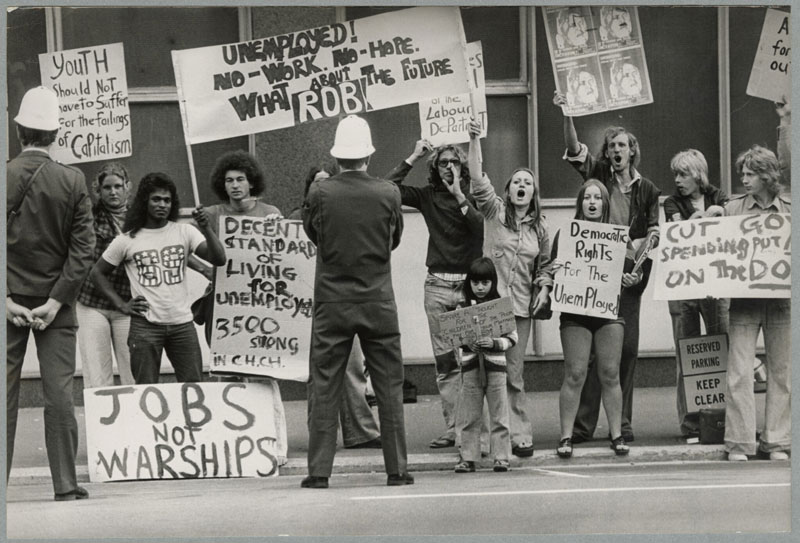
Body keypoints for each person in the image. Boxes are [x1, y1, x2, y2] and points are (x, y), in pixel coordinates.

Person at [301, 115, 412, 488]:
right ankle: (397, 469)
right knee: (389, 386)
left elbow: (312, 232)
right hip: (378, 299)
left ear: (337, 157)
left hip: (332, 300)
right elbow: (393, 238)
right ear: (368, 154)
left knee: (324, 384)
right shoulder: (388, 192)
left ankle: (319, 472)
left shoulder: (319, 193)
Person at [553, 90, 661, 443]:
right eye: (611, 145)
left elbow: (653, 234)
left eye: (622, 145)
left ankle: (621, 424)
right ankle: (583, 426)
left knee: (624, 352)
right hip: (592, 278)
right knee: (587, 357)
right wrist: (568, 111)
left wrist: (638, 260)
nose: (616, 151)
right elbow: (573, 147)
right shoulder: (597, 174)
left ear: (633, 150)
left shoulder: (648, 190)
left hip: (628, 280)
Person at [7, 86, 95, 501]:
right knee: (59, 392)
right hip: (55, 303)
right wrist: (58, 299)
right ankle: (64, 483)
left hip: (7, 299)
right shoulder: (72, 180)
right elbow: (83, 250)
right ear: (56, 132)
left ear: (19, 128)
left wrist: (5, 299)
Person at [188, 149, 289, 464]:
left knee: (263, 378)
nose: (234, 186)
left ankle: (276, 445)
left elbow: (287, 259)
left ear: (251, 182)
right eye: (229, 180)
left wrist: (280, 231)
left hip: (260, 310)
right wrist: (205, 266)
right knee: (227, 378)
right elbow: (192, 250)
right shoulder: (214, 215)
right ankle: (235, 445)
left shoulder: (270, 212)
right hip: (224, 309)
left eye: (240, 179)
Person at [386, 138, 484, 449]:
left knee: (473, 361)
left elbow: (480, 229)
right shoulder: (428, 196)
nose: (449, 168)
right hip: (439, 288)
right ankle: (453, 429)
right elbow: (388, 188)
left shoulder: (472, 196)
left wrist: (458, 195)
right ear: (435, 169)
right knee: (446, 364)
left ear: (463, 167)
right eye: (443, 163)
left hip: (469, 288)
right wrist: (414, 155)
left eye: (454, 162)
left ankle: (473, 431)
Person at [89, 172, 226, 384]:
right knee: (146, 391)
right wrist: (121, 305)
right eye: (156, 199)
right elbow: (97, 273)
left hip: (182, 324)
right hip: (145, 327)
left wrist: (206, 228)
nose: (162, 204)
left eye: (167, 200)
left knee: (194, 387)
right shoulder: (127, 239)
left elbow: (218, 258)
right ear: (145, 201)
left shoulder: (185, 231)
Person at [467, 121, 551, 458]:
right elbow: (476, 175)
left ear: (533, 193)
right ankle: (483, 439)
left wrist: (543, 289)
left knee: (512, 375)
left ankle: (519, 434)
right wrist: (474, 139)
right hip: (488, 306)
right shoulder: (493, 212)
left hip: (520, 310)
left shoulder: (540, 228)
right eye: (517, 181)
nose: (522, 186)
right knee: (480, 375)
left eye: (527, 183)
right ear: (508, 188)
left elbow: (545, 265)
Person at [290, 165, 381, 451]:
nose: (322, 190)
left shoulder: (347, 219)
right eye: (317, 184)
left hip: (341, 300)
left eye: (328, 184)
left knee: (353, 366)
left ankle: (361, 433)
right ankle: (321, 435)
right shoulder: (294, 221)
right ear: (308, 190)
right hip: (306, 307)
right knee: (319, 374)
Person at [551, 180, 631, 458]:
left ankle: (617, 434)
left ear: (606, 203)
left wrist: (633, 277)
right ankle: (565, 436)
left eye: (598, 197)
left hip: (608, 312)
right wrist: (554, 268)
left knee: (610, 373)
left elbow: (634, 269)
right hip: (575, 313)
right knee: (575, 374)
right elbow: (550, 270)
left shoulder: (618, 236)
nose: (593, 202)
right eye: (587, 198)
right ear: (581, 203)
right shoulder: (566, 235)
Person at [723, 145, 791, 462]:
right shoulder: (733, 210)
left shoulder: (790, 208)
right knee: (739, 373)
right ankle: (739, 443)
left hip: (782, 303)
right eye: (743, 174)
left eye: (751, 174)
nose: (745, 180)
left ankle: (776, 442)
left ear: (767, 176)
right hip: (744, 303)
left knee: (783, 374)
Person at [663, 149, 729, 438]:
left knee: (722, 352)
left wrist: (717, 213)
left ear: (698, 175)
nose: (678, 180)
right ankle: (690, 424)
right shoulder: (671, 203)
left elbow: (730, 223)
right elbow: (681, 232)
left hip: (716, 286)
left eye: (683, 174)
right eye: (675, 174)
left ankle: (724, 421)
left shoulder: (719, 196)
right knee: (687, 355)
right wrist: (704, 217)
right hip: (685, 286)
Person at [453, 258, 518, 473]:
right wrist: (466, 343)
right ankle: (468, 457)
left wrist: (494, 343)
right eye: (475, 283)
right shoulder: (461, 308)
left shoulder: (500, 307)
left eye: (485, 283)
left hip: (496, 367)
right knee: (470, 415)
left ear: (493, 282)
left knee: (499, 413)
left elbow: (512, 338)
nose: (480, 288)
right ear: (469, 283)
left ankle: (501, 456)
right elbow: (455, 339)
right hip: (471, 368)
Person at [76, 163, 135, 388]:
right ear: (98, 191)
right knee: (96, 373)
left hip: (127, 303)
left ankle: (135, 422)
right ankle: (100, 422)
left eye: (118, 186)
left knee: (133, 369)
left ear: (127, 187)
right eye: (107, 187)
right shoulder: (87, 218)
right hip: (92, 303)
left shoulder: (140, 219)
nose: (113, 192)